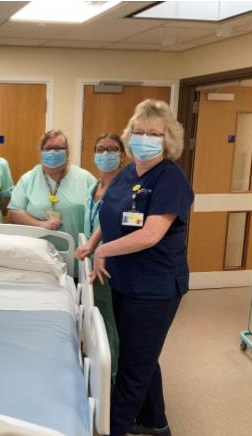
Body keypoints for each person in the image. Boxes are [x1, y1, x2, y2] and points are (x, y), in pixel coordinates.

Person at [80, 100, 194, 436]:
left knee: (133, 365)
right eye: (140, 132)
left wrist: (103, 251)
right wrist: (92, 241)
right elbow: (111, 213)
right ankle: (155, 422)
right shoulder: (130, 172)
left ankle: (112, 429)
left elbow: (151, 234)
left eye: (154, 134)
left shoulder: (170, 178)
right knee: (141, 354)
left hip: (155, 287)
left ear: (168, 139)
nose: (146, 138)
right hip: (125, 280)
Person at [7, 129, 97, 274]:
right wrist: (40, 225)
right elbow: (13, 213)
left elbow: (99, 214)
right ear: (41, 152)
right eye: (48, 148)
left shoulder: (85, 178)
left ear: (67, 152)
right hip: (37, 258)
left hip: (77, 256)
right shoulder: (29, 179)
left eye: (59, 148)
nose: (53, 152)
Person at [75, 133, 125, 382]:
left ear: (122, 155)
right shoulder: (95, 186)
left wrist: (100, 251)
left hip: (111, 264)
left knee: (110, 327)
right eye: (101, 149)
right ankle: (100, 371)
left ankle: (111, 379)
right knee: (98, 320)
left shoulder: (125, 188)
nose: (106, 154)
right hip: (91, 263)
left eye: (112, 149)